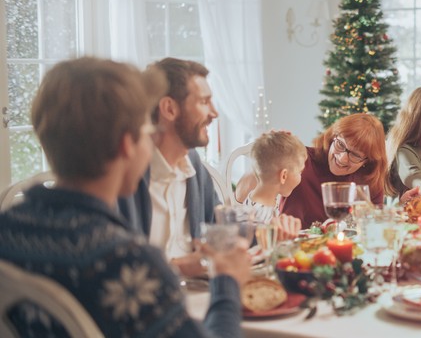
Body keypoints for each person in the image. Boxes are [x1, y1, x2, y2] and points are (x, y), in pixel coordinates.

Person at [0, 57, 250, 337]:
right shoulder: (129, 264)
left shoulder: (7, 229)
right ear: (126, 145)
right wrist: (226, 283)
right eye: (147, 132)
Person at [118, 57, 297, 277]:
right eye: (204, 102)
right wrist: (180, 267)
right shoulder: (127, 175)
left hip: (202, 291)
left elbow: (220, 233)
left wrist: (269, 232)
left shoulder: (193, 164)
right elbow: (117, 268)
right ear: (169, 109)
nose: (214, 113)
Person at [236, 113, 387, 228]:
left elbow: (374, 227)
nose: (342, 158)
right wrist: (267, 154)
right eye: (340, 145)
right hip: (293, 246)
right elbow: (245, 193)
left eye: (355, 155)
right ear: (333, 137)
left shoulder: (370, 179)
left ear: (368, 160)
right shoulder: (301, 159)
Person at [243, 131, 306, 235]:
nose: (301, 176)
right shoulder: (260, 218)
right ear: (283, 176)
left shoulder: (263, 198)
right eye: (299, 172)